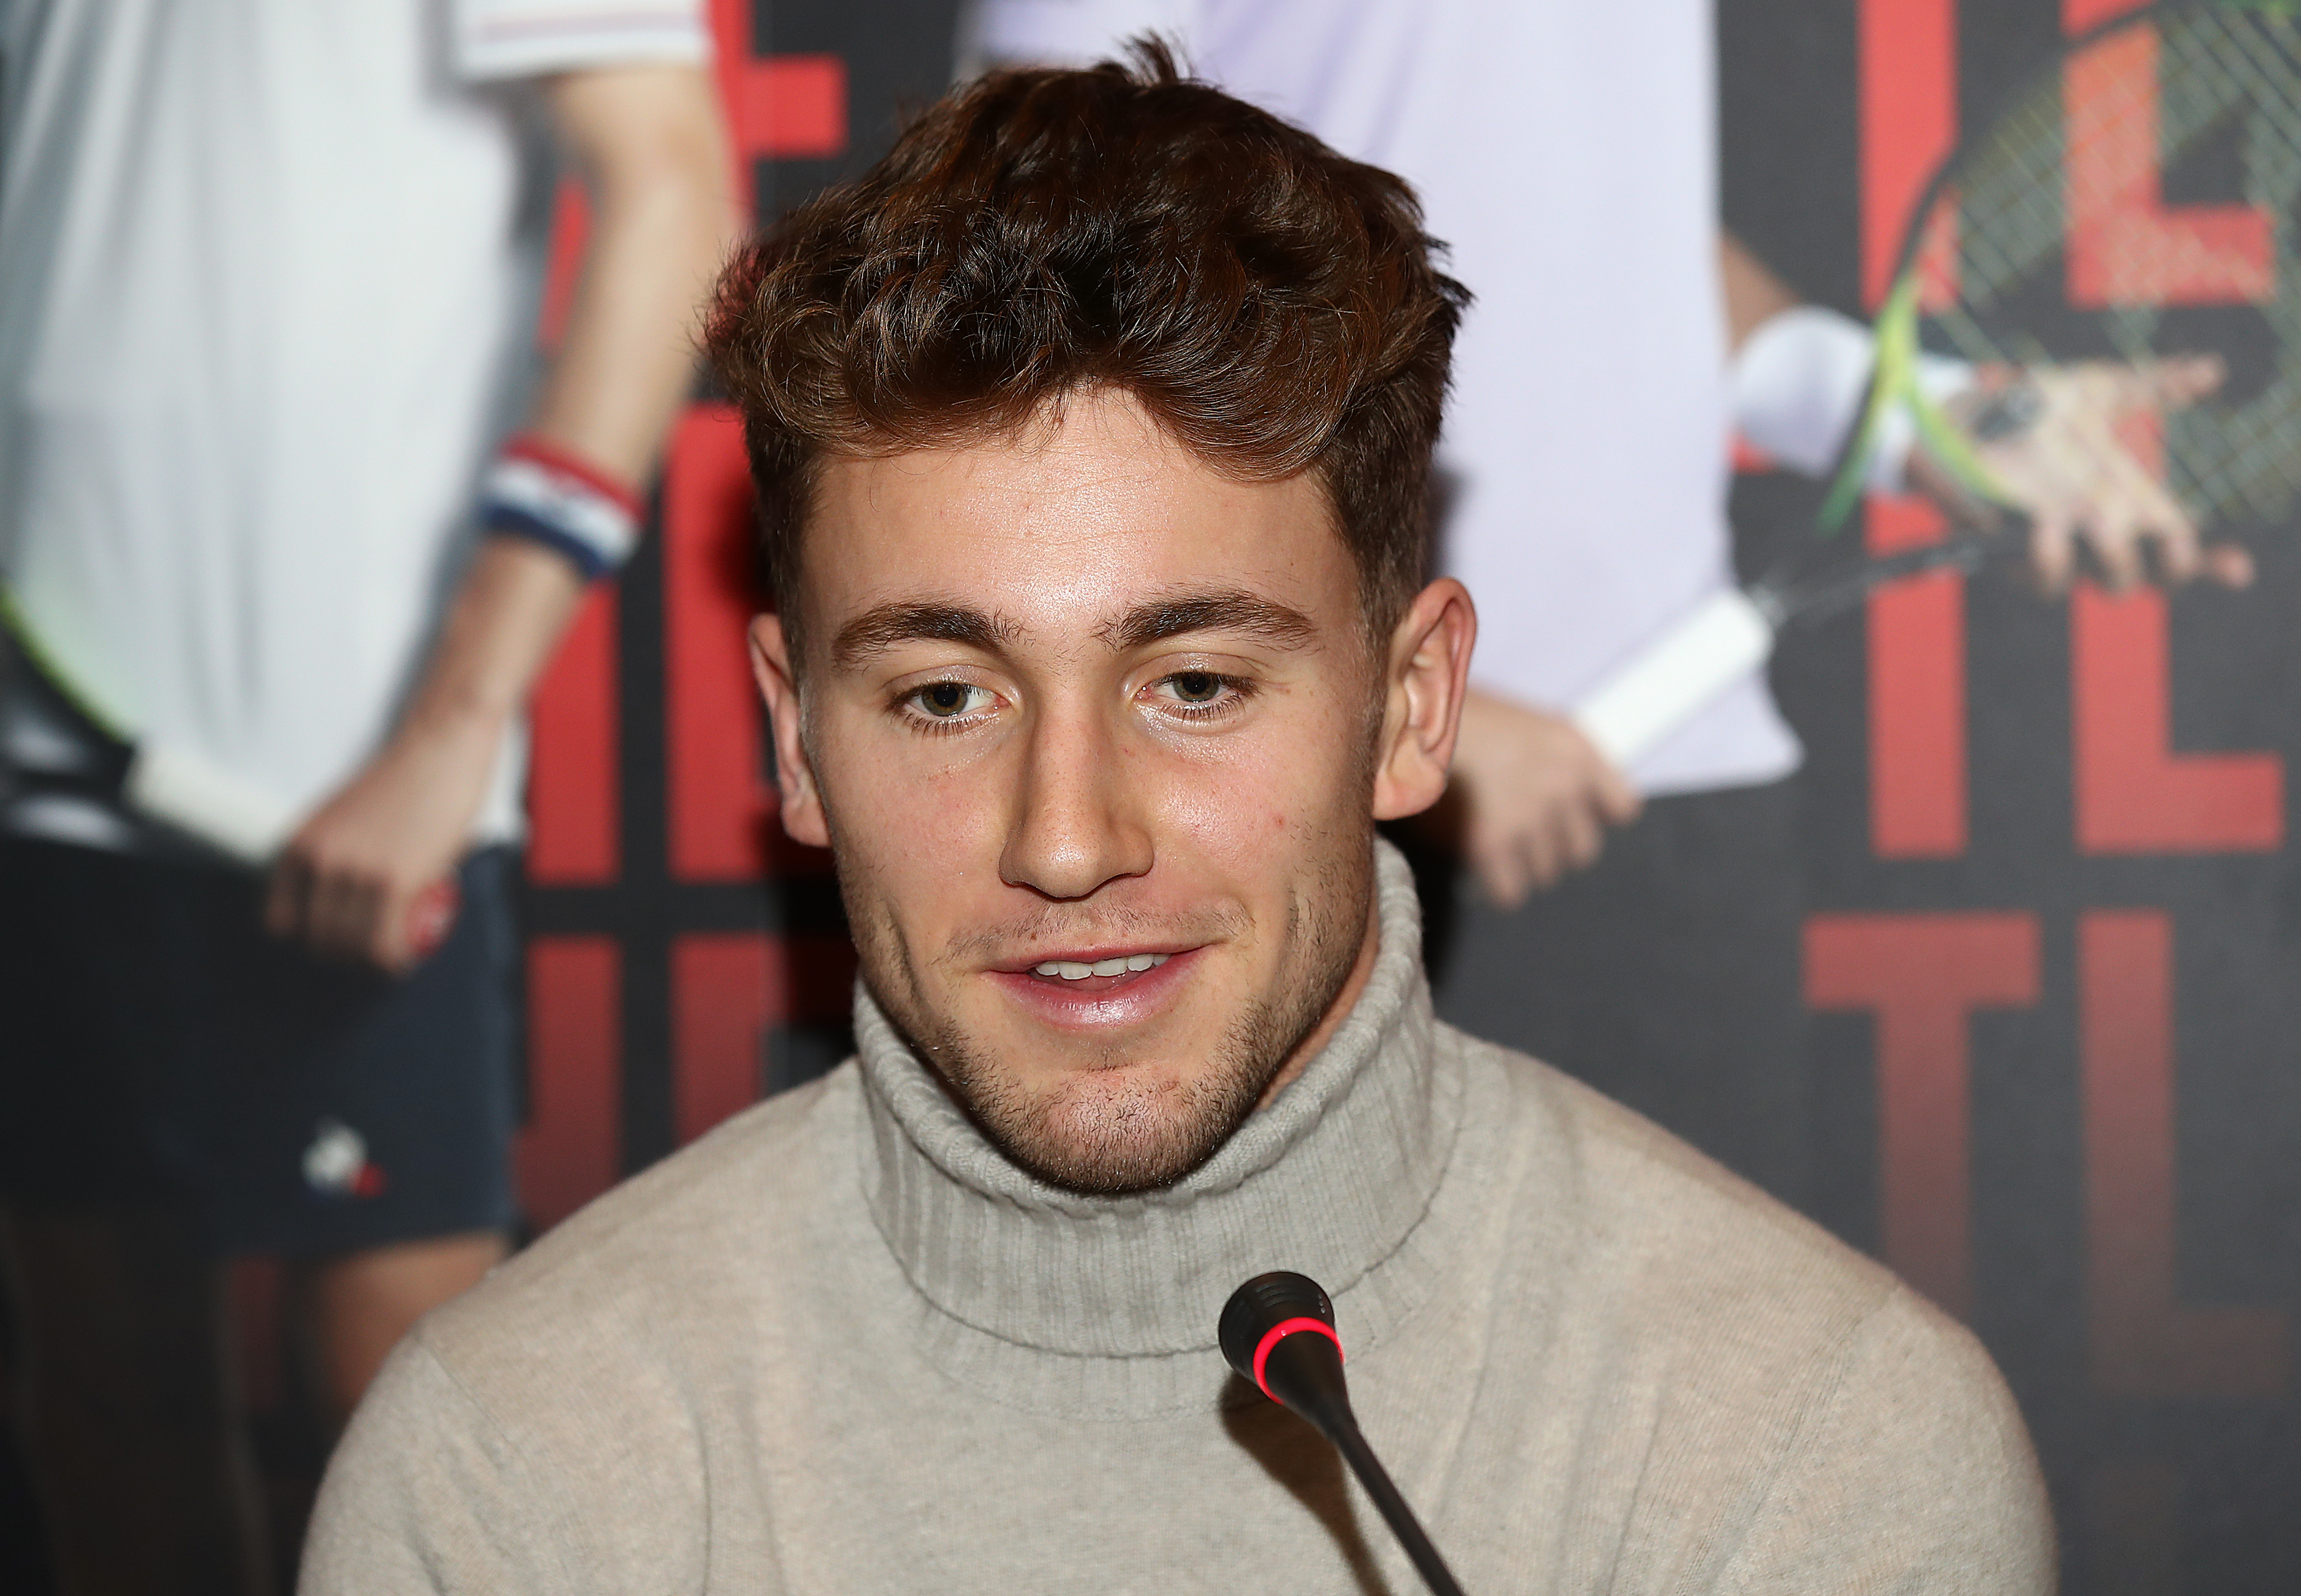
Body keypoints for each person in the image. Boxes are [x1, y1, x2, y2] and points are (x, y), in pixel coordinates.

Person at [303, 51, 2053, 1592]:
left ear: (1413, 704)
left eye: (1194, 683)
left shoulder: (1807, 1445)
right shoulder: (512, 1473)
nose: (1067, 842)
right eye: (945, 695)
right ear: (794, 737)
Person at [958, 0, 2244, 1209]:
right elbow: (1042, 258)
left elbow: (1601, 231)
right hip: (1340, 815)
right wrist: (1387, 707)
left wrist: (1929, 419)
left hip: (1675, 799)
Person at [0, 0, 739, 1588]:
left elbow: (675, 192)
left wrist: (451, 730)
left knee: (413, 1461)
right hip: (42, 767)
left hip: (358, 773)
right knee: (107, 1418)